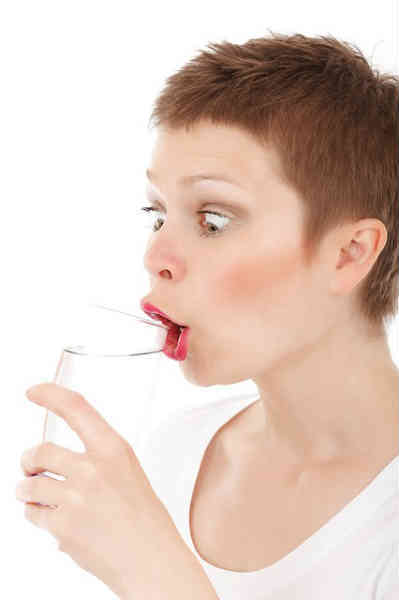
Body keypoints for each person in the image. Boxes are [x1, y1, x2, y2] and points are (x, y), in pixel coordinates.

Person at [137, 31, 399, 599]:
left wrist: (152, 573)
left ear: (349, 252)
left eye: (213, 219)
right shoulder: (172, 454)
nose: (155, 258)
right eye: (156, 214)